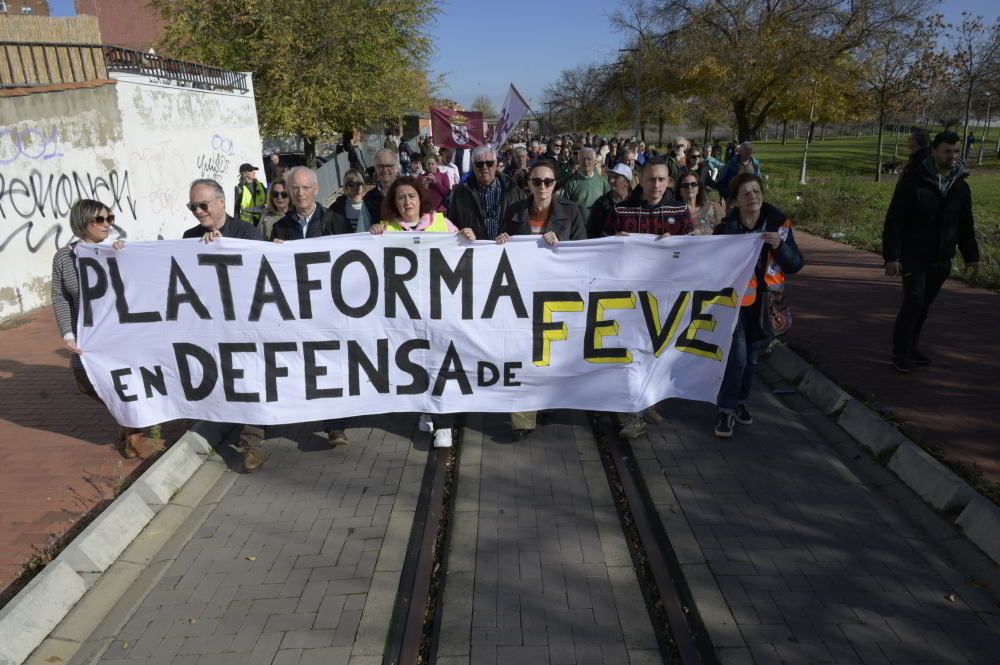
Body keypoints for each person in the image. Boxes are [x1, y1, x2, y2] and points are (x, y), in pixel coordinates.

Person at [368, 176, 476, 449]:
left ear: (420, 199)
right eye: (401, 198)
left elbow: (463, 249)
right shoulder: (388, 230)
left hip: (440, 307)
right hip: (407, 312)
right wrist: (373, 235)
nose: (407, 202)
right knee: (415, 362)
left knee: (441, 361)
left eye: (411, 196)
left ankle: (444, 424)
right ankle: (425, 408)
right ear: (394, 203)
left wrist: (466, 236)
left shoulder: (440, 222)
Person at [51, 199, 151, 459]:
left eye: (109, 219)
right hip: (87, 335)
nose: (106, 225)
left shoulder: (116, 251)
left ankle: (133, 428)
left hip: (118, 335)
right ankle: (128, 420)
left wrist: (123, 256)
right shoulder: (64, 257)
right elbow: (61, 296)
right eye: (99, 220)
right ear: (82, 222)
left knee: (121, 381)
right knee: (86, 382)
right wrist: (67, 333)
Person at [495, 159, 586, 439]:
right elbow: (500, 245)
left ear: (555, 184)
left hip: (557, 294)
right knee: (523, 352)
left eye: (548, 181)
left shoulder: (571, 212)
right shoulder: (514, 211)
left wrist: (563, 246)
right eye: (536, 181)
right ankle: (523, 419)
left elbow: (584, 251)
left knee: (548, 353)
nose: (542, 186)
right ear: (528, 185)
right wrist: (500, 241)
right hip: (521, 293)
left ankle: (545, 403)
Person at [604, 157, 693, 438]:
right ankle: (631, 413)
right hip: (629, 298)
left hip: (665, 296)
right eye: (651, 179)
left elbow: (696, 248)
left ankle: (649, 401)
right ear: (639, 180)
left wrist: (678, 244)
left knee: (657, 352)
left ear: (669, 181)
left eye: (662, 179)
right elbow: (600, 244)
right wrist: (613, 241)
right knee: (631, 353)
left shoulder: (679, 211)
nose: (656, 184)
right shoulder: (621, 210)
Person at [183, 179, 267, 471]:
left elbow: (261, 272)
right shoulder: (189, 237)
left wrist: (225, 249)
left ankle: (251, 442)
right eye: (193, 206)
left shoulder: (245, 232)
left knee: (249, 377)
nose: (198, 211)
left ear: (221, 202)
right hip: (211, 326)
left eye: (203, 205)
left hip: (246, 323)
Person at [713, 173, 803, 437]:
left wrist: (781, 247)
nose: (753, 197)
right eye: (746, 193)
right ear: (736, 201)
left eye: (756, 191)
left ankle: (740, 401)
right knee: (737, 358)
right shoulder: (726, 230)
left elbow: (795, 264)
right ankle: (726, 410)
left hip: (767, 305)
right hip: (735, 304)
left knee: (752, 360)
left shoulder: (779, 225)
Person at [882, 131, 979, 373]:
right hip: (913, 255)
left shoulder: (961, 187)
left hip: (941, 257)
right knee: (913, 302)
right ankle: (900, 353)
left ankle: (912, 347)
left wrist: (972, 256)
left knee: (923, 305)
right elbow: (895, 219)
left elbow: (965, 224)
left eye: (956, 151)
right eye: (947, 151)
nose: (953, 156)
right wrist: (892, 256)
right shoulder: (915, 181)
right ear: (935, 151)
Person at [449, 145, 527, 241]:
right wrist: (462, 234)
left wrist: (511, 237)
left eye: (489, 163)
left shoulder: (513, 191)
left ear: (496, 165)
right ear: (473, 167)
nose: (484, 167)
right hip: (475, 252)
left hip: (505, 251)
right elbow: (451, 226)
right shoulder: (460, 193)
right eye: (479, 164)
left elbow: (524, 225)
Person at [559, 147, 610, 221]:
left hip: (599, 226)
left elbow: (609, 203)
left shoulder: (603, 182)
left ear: (594, 161)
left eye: (589, 159)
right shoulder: (571, 183)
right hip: (578, 227)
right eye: (583, 159)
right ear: (578, 161)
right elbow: (564, 207)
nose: (586, 162)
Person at [358, 148, 399, 231]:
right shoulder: (369, 199)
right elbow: (362, 230)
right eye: (380, 166)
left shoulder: (408, 192)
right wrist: (371, 229)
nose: (385, 170)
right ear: (375, 169)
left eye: (389, 165)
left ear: (396, 168)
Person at [587, 163, 632, 239]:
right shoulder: (601, 204)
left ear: (627, 182)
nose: (611, 180)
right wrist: (612, 237)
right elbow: (592, 234)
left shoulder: (637, 202)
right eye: (610, 177)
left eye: (616, 177)